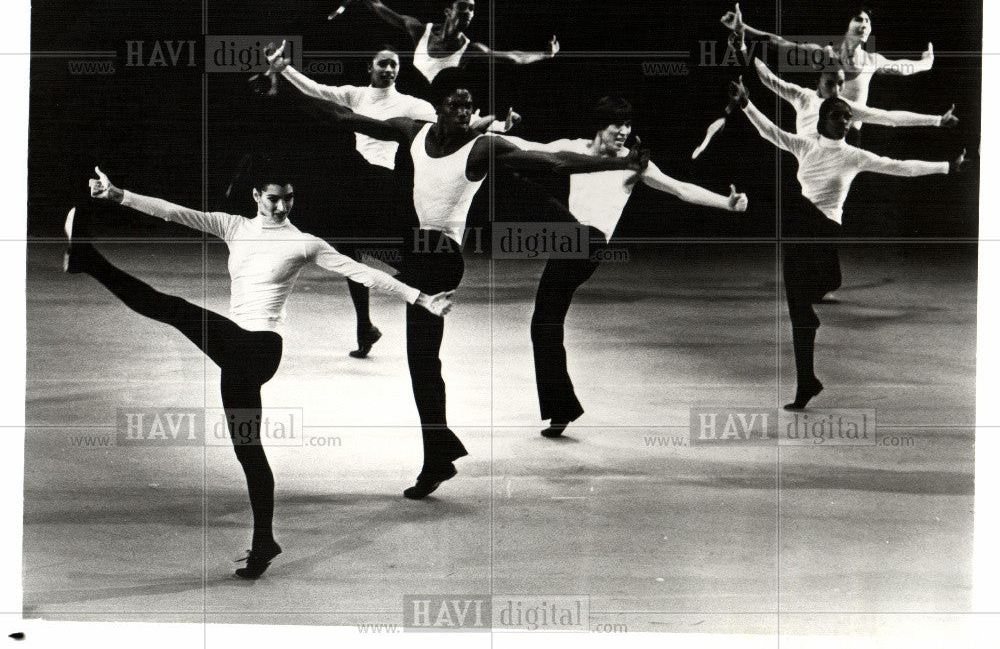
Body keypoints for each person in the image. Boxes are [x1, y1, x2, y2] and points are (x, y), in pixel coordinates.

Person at [269, 50, 648, 498]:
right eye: (456, 105)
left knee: (422, 360)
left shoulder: (483, 146)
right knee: (413, 346)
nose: (465, 113)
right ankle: (439, 452)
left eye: (470, 107)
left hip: (442, 257)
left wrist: (614, 163)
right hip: (415, 248)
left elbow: (555, 162)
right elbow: (341, 116)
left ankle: (437, 458)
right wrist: (280, 90)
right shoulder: (411, 131)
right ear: (438, 106)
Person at [63, 163, 453, 578]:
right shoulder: (233, 227)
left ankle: (88, 259)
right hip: (236, 355)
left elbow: (361, 272)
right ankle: (264, 541)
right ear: (255, 196)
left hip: (260, 347)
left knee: (173, 308)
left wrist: (421, 299)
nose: (282, 206)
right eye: (273, 198)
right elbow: (173, 212)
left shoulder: (304, 242)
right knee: (248, 451)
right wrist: (118, 195)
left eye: (288, 198)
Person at [497, 97, 748, 436]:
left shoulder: (633, 163)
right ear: (601, 125)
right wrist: (498, 129)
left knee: (535, 194)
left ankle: (561, 405)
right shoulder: (573, 148)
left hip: (590, 243)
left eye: (629, 126)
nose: (625, 132)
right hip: (566, 243)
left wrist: (727, 204)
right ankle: (562, 408)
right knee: (543, 322)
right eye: (619, 125)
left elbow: (680, 189)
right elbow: (529, 147)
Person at [727, 78, 967, 410]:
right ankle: (806, 381)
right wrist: (746, 104)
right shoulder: (806, 146)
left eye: (847, 117)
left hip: (823, 228)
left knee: (795, 211)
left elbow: (899, 167)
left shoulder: (853, 155)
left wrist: (946, 167)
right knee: (797, 309)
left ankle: (823, 280)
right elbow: (771, 132)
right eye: (838, 116)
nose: (846, 121)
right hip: (801, 234)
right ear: (823, 119)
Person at [279, 46, 437, 357]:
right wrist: (284, 69)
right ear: (370, 67)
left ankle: (414, 284)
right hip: (357, 180)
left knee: (365, 249)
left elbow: (445, 122)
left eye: (394, 64)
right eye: (383, 63)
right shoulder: (356, 95)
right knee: (349, 250)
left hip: (382, 182)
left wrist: (494, 125)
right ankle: (365, 326)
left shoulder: (409, 104)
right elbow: (317, 89)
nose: (389, 69)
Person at [331, 0, 559, 82]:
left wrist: (545, 55)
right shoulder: (419, 30)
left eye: (471, 9)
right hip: (410, 98)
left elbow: (514, 57)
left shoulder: (472, 50)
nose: (467, 12)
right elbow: (376, 5)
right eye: (462, 6)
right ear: (448, 11)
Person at [722, 5, 934, 104]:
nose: (864, 24)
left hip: (851, 134)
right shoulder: (823, 54)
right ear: (846, 25)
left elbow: (905, 68)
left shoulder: (872, 61)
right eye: (858, 19)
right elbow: (778, 42)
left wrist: (927, 62)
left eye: (868, 21)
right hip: (821, 127)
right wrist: (743, 28)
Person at [752, 57, 957, 137]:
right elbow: (768, 79)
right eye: (830, 84)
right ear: (818, 83)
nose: (837, 90)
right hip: (806, 159)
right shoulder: (802, 96)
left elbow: (889, 118)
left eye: (841, 84)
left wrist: (937, 120)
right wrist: (744, 49)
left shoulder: (846, 108)